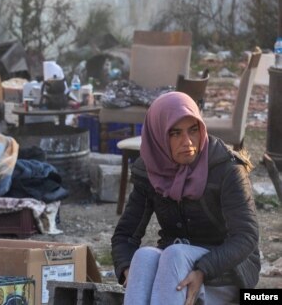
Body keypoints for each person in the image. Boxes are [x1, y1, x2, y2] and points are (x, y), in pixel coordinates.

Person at [111, 91, 259, 305]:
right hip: (174, 267)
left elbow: (246, 237)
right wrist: (127, 270)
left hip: (226, 270)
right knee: (143, 257)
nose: (187, 141)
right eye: (175, 133)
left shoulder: (227, 168)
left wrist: (203, 271)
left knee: (175, 254)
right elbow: (125, 235)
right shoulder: (150, 170)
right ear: (159, 136)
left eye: (193, 130)